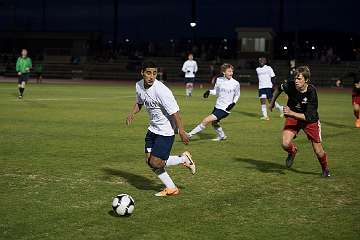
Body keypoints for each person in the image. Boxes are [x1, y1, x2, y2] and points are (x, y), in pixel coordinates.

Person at [126, 61, 196, 197]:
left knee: (155, 162)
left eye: (154, 73)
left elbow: (175, 113)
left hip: (166, 131)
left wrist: (181, 131)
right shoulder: (139, 85)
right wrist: (132, 113)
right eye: (148, 73)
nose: (152, 76)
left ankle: (183, 159)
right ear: (142, 73)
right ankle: (172, 188)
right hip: (152, 129)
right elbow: (139, 102)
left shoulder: (162, 90)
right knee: (150, 162)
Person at [269, 66, 330, 177]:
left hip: (310, 121)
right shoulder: (290, 85)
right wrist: (273, 102)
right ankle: (292, 151)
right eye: (296, 78)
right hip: (293, 118)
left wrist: (291, 113)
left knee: (318, 150)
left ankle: (325, 169)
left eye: (299, 79)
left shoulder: (311, 91)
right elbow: (279, 89)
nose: (296, 81)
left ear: (306, 80)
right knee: (285, 143)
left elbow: (309, 116)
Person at [188, 63, 240, 141]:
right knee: (214, 123)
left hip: (225, 108)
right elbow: (216, 92)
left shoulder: (235, 83)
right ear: (224, 72)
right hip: (217, 106)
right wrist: (209, 92)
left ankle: (189, 135)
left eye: (232, 71)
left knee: (206, 120)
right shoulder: (219, 80)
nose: (231, 73)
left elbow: (237, 95)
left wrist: (233, 103)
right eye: (229, 71)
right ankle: (222, 136)